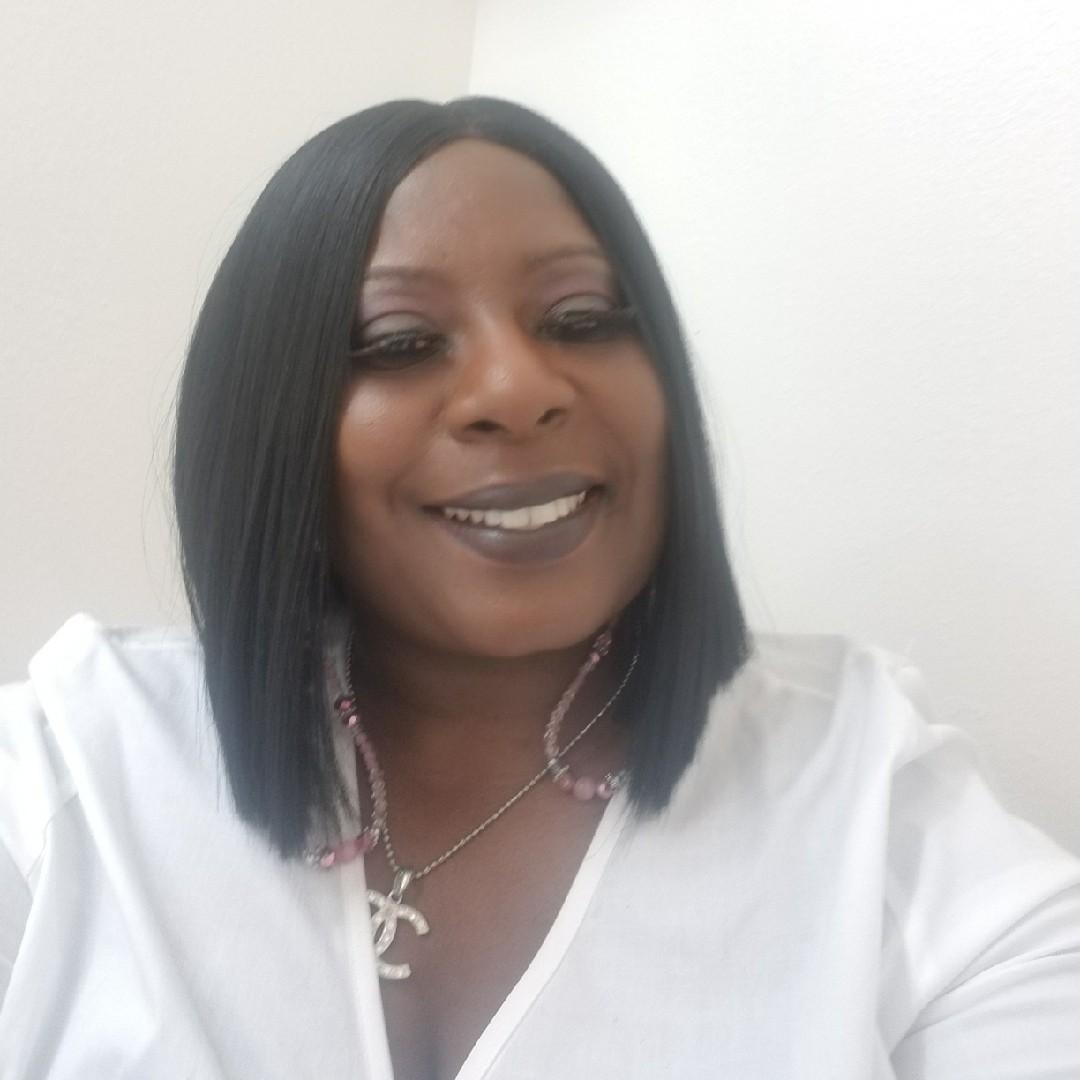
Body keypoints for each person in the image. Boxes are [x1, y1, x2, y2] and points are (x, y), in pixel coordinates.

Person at [1, 98, 1078, 1080]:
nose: (518, 390)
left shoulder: (871, 790)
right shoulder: (73, 775)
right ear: (271, 422)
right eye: (401, 342)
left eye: (582, 319)